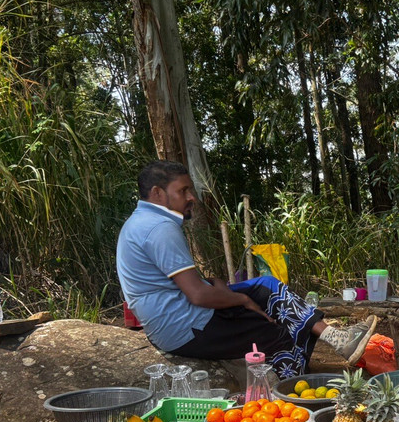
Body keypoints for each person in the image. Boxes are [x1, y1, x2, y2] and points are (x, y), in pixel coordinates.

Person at [116, 161, 376, 378]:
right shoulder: (160, 229)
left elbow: (179, 284)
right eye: (183, 191)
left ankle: (337, 338)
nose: (191, 197)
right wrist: (239, 299)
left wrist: (213, 284)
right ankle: (294, 394)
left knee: (267, 287)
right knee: (276, 335)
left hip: (178, 316)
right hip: (184, 327)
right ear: (158, 193)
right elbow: (198, 296)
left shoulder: (142, 221)